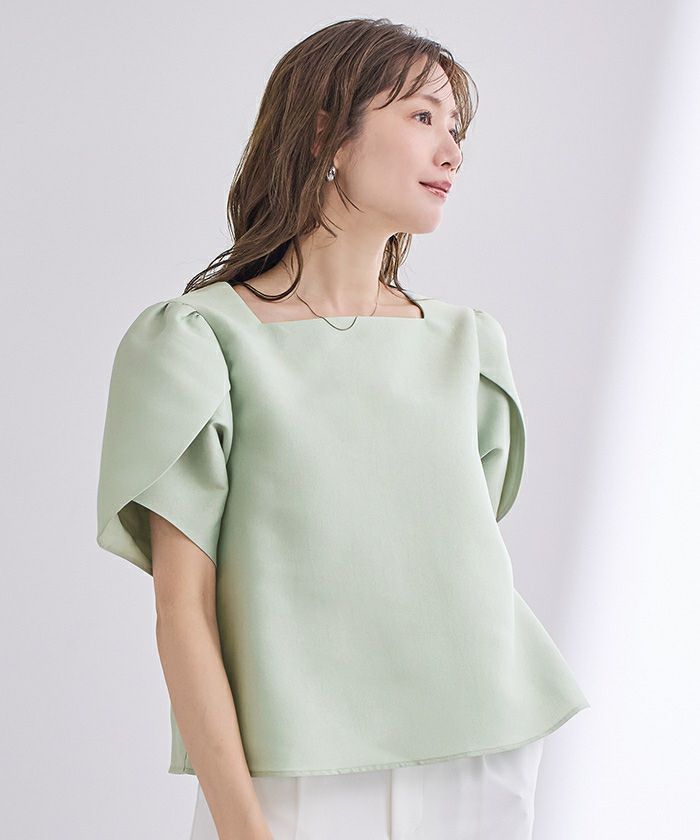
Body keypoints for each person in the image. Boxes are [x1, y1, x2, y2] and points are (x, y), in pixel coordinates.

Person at [96, 17, 590, 840]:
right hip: (293, 772)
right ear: (327, 130)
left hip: (480, 758)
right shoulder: (198, 342)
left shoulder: (467, 345)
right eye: (423, 116)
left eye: (457, 130)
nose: (451, 152)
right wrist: (242, 824)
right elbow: (183, 612)